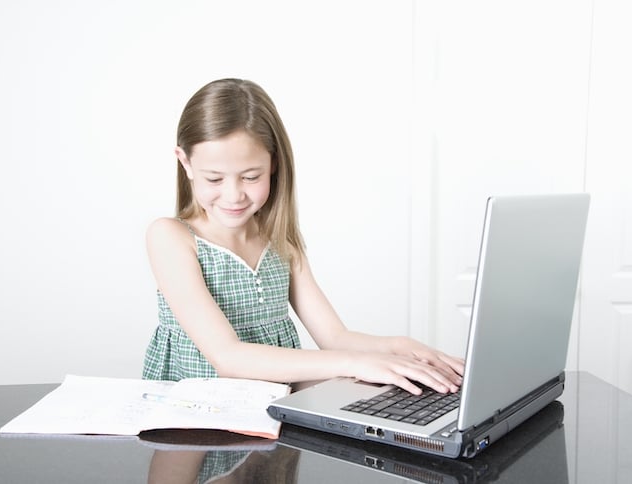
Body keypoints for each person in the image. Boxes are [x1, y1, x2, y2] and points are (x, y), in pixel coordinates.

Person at [143, 78, 464, 395]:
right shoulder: (171, 238)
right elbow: (229, 357)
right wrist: (354, 364)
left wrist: (397, 347)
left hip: (270, 418)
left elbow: (335, 338)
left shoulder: (279, 241)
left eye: (250, 176)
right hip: (194, 422)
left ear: (274, 165)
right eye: (214, 178)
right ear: (185, 163)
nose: (233, 195)